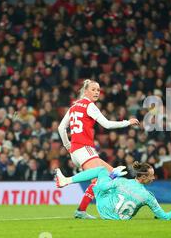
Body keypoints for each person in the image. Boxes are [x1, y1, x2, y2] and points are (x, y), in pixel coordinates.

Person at [58, 79, 140, 219]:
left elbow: (61, 128)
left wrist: (68, 146)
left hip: (77, 151)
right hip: (85, 149)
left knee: (112, 173)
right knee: (99, 181)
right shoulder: (90, 106)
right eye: (93, 89)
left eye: (98, 90)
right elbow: (107, 125)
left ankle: (82, 210)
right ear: (85, 91)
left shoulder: (73, 106)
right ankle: (73, 190)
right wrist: (128, 122)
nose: (96, 92)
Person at [55, 161, 171, 220]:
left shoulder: (122, 182)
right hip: (121, 219)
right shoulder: (148, 196)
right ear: (144, 177)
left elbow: (101, 187)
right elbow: (164, 216)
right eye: (151, 176)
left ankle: (66, 181)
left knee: (100, 172)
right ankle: (80, 210)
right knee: (100, 179)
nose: (153, 178)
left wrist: (112, 176)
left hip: (104, 210)